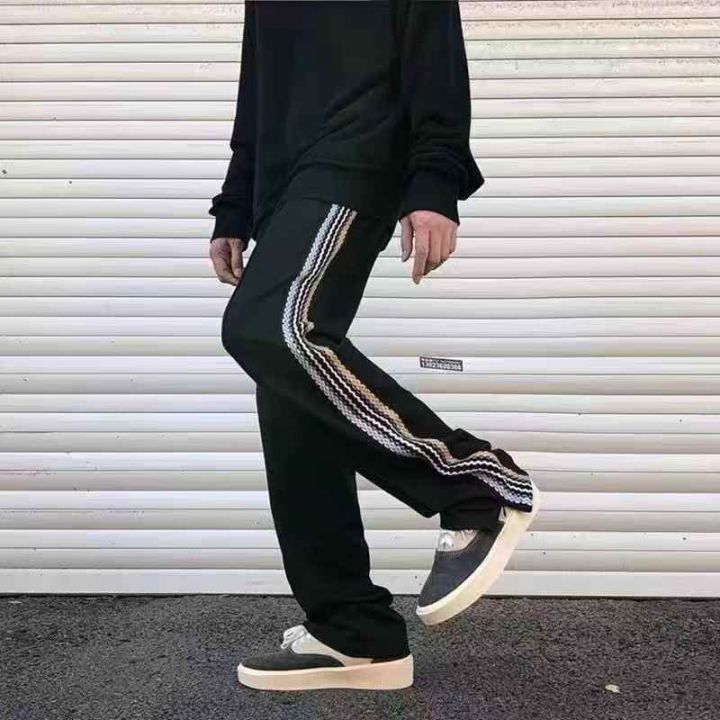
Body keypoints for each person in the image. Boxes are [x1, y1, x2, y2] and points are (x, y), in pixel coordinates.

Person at [208, 0, 539, 692]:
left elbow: (436, 57)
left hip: (356, 158)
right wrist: (235, 204)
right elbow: (258, 88)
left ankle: (476, 484)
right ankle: (352, 631)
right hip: (283, 184)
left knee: (270, 328)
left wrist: (435, 183)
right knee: (290, 395)